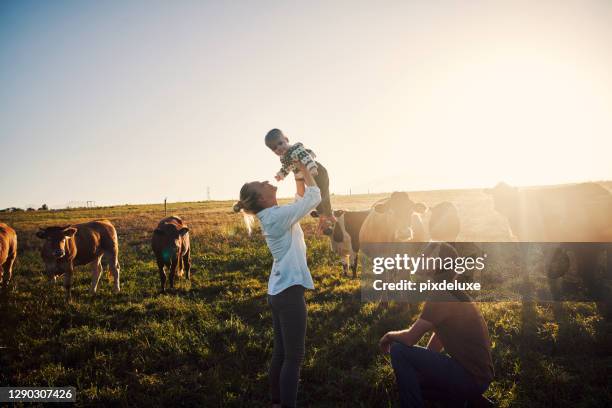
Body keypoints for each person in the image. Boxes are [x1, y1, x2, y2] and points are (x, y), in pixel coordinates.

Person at [233, 161, 321, 408]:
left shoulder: (272, 215)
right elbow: (314, 198)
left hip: (278, 291)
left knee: (281, 353)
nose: (265, 181)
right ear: (260, 198)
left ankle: (276, 402)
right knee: (294, 357)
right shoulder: (275, 217)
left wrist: (298, 177)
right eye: (260, 184)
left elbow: (298, 202)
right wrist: (304, 167)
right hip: (289, 293)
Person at [379, 243, 494, 408]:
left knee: (398, 349)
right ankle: (470, 401)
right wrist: (425, 368)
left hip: (469, 377)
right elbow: (440, 336)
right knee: (419, 384)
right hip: (478, 379)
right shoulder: (451, 289)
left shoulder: (440, 294)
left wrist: (388, 336)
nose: (420, 256)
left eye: (426, 255)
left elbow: (410, 338)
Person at [264, 128, 334, 235]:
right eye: (274, 148)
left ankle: (329, 215)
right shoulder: (283, 158)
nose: (279, 148)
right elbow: (287, 167)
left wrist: (312, 168)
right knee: (317, 199)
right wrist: (281, 175)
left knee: (323, 194)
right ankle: (323, 218)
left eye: (280, 143)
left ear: (286, 139)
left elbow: (307, 157)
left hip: (317, 171)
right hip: (306, 176)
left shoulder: (296, 148)